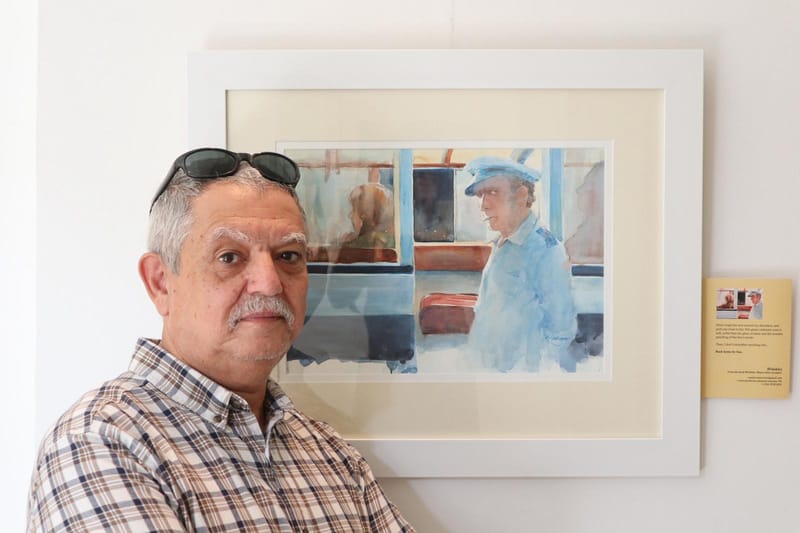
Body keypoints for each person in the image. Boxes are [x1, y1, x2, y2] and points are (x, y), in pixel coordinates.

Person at [27, 148, 414, 532]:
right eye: (230, 257)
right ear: (160, 282)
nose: (270, 282)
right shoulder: (101, 443)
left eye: (289, 256)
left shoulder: (330, 454)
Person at [464, 156, 577, 372]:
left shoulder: (546, 250)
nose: (483, 205)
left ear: (522, 196)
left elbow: (560, 332)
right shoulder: (501, 243)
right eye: (480, 194)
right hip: (489, 368)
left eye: (493, 192)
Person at [339, 181, 395, 250]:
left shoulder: (359, 244)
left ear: (364, 215)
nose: (350, 215)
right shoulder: (391, 239)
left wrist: (343, 242)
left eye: (354, 210)